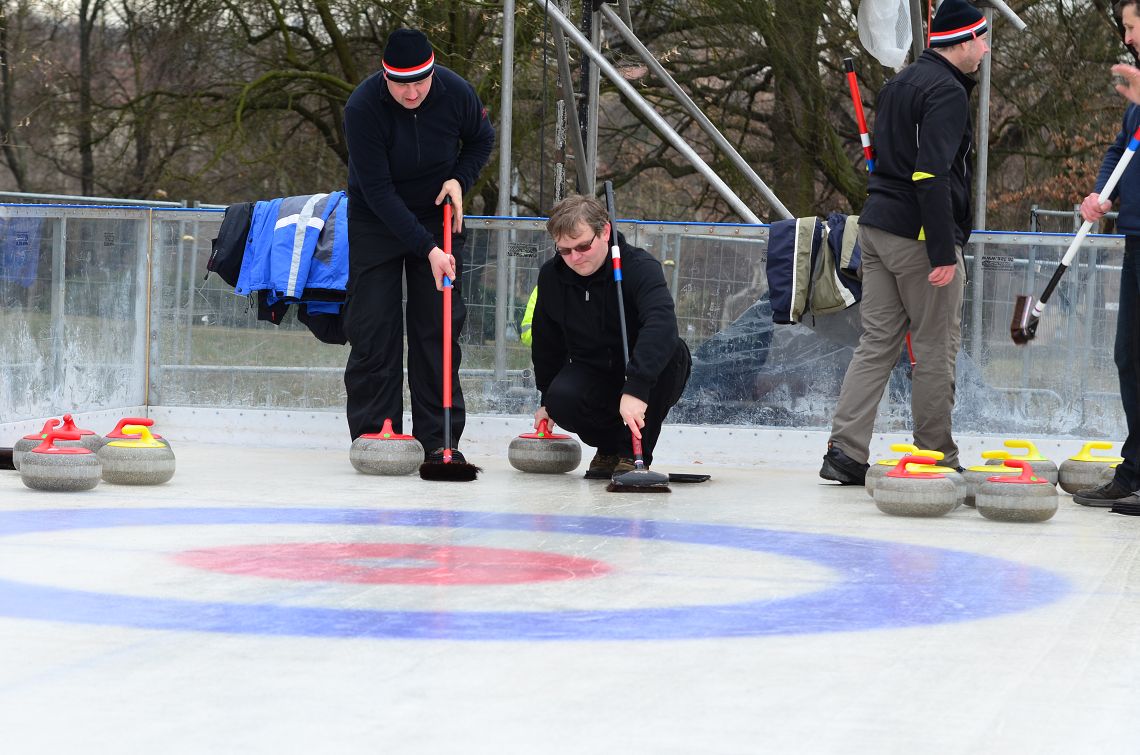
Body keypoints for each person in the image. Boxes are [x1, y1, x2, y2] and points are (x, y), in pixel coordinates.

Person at [820, 0, 989, 485]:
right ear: (962, 41)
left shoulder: (901, 82)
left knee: (876, 344)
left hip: (876, 228)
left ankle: (844, 452)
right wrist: (942, 249)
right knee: (935, 347)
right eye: (981, 40)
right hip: (919, 237)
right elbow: (930, 175)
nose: (985, 49)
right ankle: (936, 454)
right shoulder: (947, 91)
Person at [342, 28, 495, 462]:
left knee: (437, 329)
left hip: (437, 214)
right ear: (385, 77)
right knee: (374, 328)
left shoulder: (456, 92)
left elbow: (482, 139)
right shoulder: (362, 107)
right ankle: (377, 435)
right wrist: (428, 250)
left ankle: (439, 440)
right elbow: (377, 190)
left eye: (420, 82)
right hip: (376, 219)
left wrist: (459, 179)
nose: (411, 93)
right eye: (400, 84)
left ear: (432, 72)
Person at [530, 194, 691, 477]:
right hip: (592, 369)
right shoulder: (552, 276)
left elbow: (661, 324)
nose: (575, 258)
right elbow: (547, 341)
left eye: (583, 246)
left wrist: (637, 387)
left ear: (604, 231)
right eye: (564, 250)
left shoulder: (639, 267)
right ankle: (609, 447)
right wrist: (546, 399)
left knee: (671, 351)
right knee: (560, 399)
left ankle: (632, 454)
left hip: (644, 369)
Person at [1073, 0, 1140, 506]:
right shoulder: (1136, 95)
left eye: (1133, 27)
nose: (1128, 38)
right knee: (1129, 356)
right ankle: (1135, 468)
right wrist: (1102, 193)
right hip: (1135, 236)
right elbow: (1121, 149)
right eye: (1125, 28)